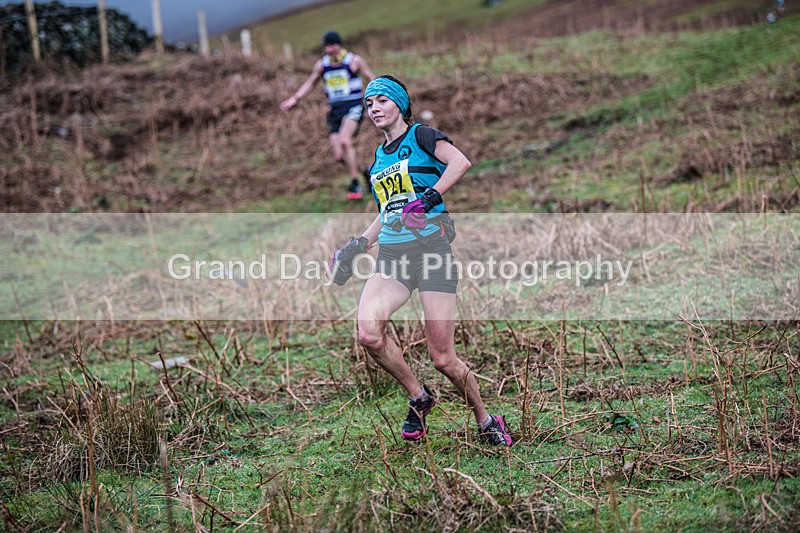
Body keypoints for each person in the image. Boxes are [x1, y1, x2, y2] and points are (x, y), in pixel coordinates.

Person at [329, 75, 512, 446]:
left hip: (431, 253)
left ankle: (485, 419)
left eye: (382, 100)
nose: (374, 109)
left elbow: (460, 163)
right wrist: (356, 245)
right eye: (368, 104)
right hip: (393, 256)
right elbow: (386, 213)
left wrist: (429, 199)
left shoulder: (422, 136)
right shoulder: (378, 160)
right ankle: (419, 397)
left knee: (443, 359)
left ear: (399, 103)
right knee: (368, 334)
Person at [279, 31, 375, 199]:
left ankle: (355, 184)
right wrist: (295, 98)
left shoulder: (354, 61)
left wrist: (382, 96)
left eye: (331, 45)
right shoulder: (322, 65)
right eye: (326, 46)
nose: (329, 49)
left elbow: (371, 78)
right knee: (339, 156)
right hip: (334, 111)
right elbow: (310, 83)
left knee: (345, 141)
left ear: (339, 45)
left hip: (353, 107)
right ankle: (365, 171)